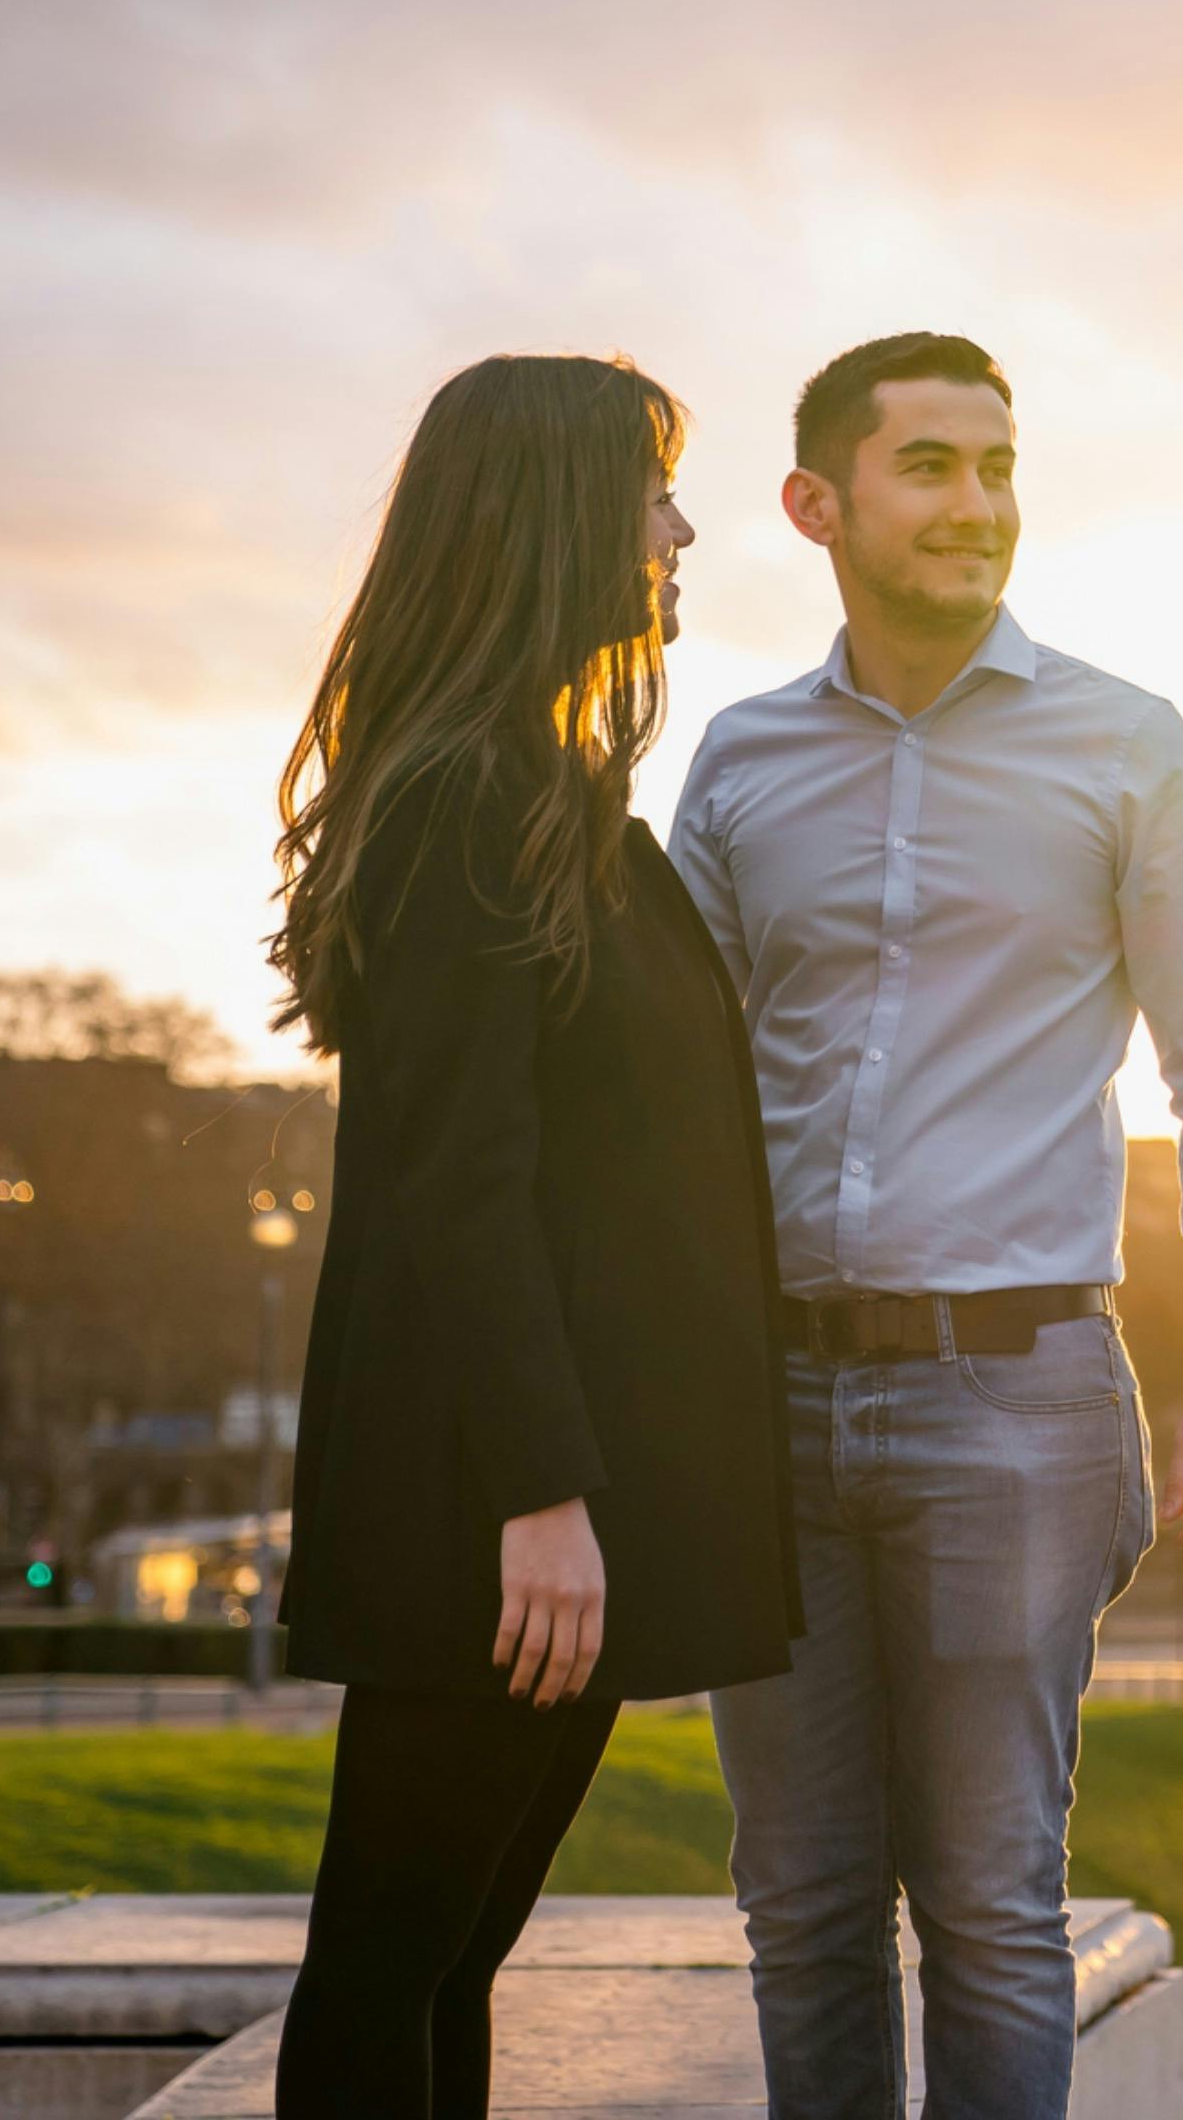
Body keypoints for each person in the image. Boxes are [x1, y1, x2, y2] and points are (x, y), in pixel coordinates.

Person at [673, 331, 1183, 2117]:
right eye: (930, 464)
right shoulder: (736, 761)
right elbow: (684, 1100)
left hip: (1010, 1396)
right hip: (768, 1402)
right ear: (818, 503)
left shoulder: (1128, 746)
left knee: (994, 1908)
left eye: (998, 465)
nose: (977, 504)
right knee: (796, 1908)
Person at [263, 355, 802, 2119]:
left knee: (451, 1957)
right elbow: (455, 1180)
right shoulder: (461, 802)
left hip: (546, 1500)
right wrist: (540, 1492)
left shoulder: (544, 795)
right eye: (650, 491)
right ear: (551, 515)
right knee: (388, 1965)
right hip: (489, 1510)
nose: (680, 529)